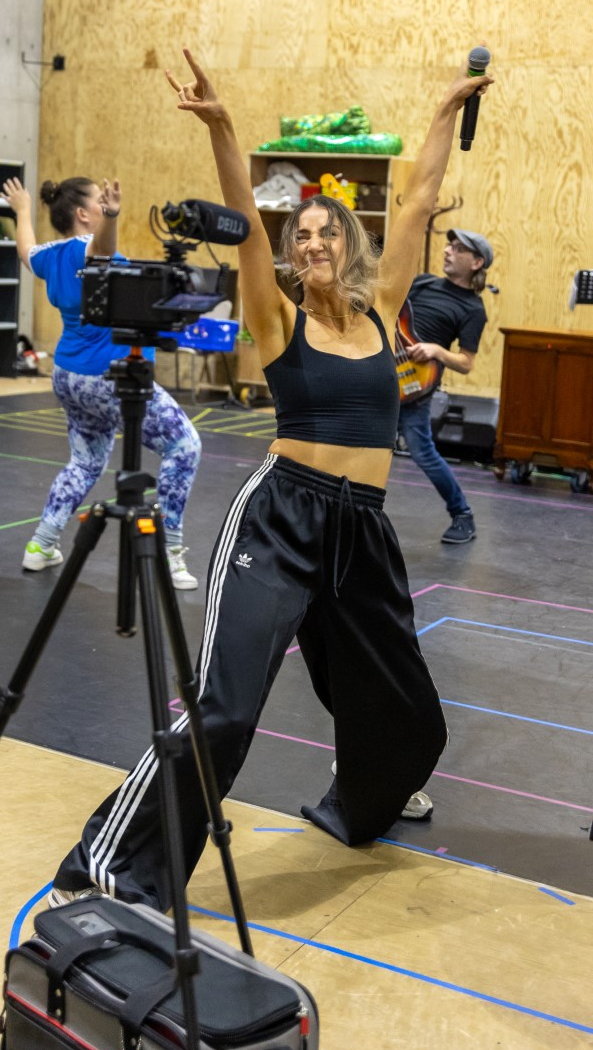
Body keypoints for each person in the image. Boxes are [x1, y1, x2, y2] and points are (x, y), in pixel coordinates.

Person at [49, 50, 494, 912]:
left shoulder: (378, 308)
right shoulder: (276, 314)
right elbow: (249, 222)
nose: (314, 242)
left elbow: (416, 199)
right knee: (222, 709)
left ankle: (359, 801)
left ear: (351, 246)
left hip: (360, 528)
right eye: (304, 237)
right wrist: (223, 129)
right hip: (279, 521)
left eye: (329, 232)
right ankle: (112, 867)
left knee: (411, 716)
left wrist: (444, 107)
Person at [1, 175, 201, 587]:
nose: (104, 205)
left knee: (86, 461)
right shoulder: (85, 250)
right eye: (99, 202)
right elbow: (102, 249)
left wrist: (23, 210)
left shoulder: (50, 255)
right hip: (108, 377)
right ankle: (170, 551)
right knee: (184, 446)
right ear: (83, 213)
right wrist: (112, 216)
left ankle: (42, 544)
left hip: (69, 375)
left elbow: (25, 250)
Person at [398, 228, 494, 543]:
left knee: (422, 452)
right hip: (381, 376)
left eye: (457, 248)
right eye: (448, 246)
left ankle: (462, 514)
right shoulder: (423, 282)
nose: (447, 251)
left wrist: (437, 351)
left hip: (416, 386)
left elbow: (466, 363)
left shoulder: (473, 310)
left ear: (477, 262)